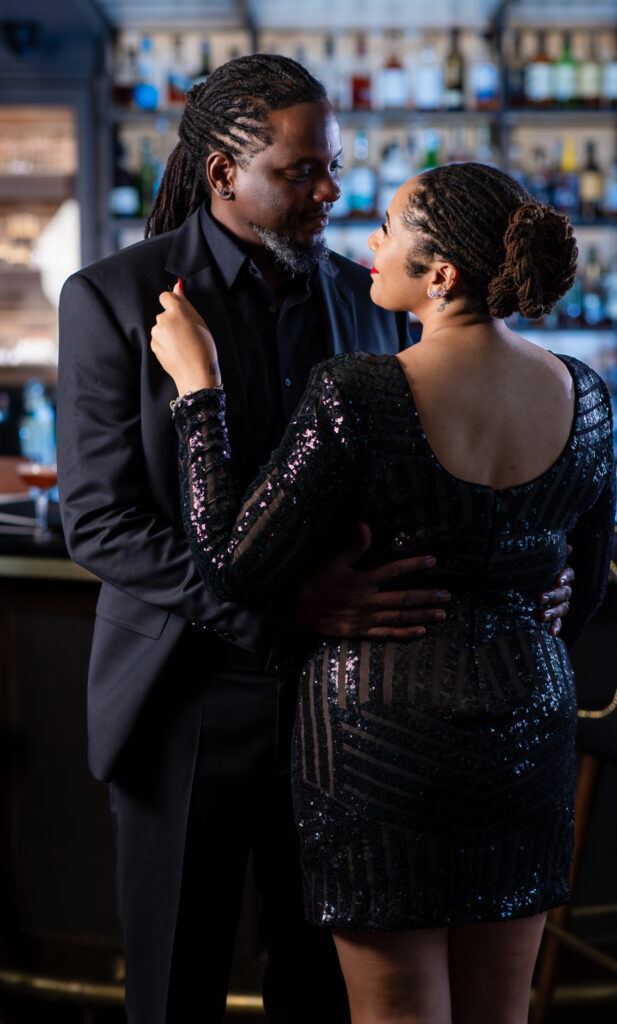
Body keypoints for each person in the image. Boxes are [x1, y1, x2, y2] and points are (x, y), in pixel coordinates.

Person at [57, 55, 572, 1024]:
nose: (329, 190)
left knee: (325, 992)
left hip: (355, 711)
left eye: (331, 166)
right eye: (301, 172)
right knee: (173, 986)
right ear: (222, 175)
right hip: (185, 701)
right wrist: (282, 605)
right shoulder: (114, 299)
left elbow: (433, 476)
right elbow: (101, 521)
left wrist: (528, 568)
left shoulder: (369, 295)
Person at [151, 161, 615, 1024]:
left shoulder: (357, 393)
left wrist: (197, 389)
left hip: (376, 735)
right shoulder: (584, 396)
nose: (370, 239)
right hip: (529, 725)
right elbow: (579, 593)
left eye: (391, 227)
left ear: (438, 276)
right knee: (500, 1013)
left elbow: (231, 559)